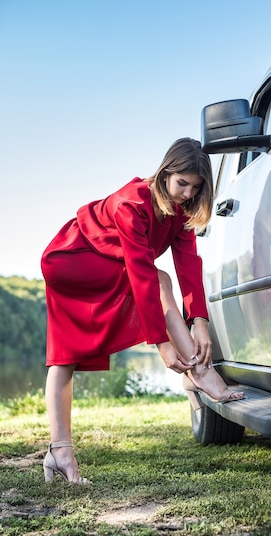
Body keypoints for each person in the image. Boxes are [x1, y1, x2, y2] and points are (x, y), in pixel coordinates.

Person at [41, 138, 244, 484]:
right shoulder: (131, 204)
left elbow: (189, 265)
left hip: (100, 263)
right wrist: (162, 343)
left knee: (66, 358)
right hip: (73, 260)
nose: (186, 194)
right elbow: (140, 272)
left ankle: (59, 454)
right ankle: (199, 372)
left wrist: (200, 323)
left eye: (195, 188)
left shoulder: (182, 210)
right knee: (156, 278)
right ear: (165, 173)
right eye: (182, 183)